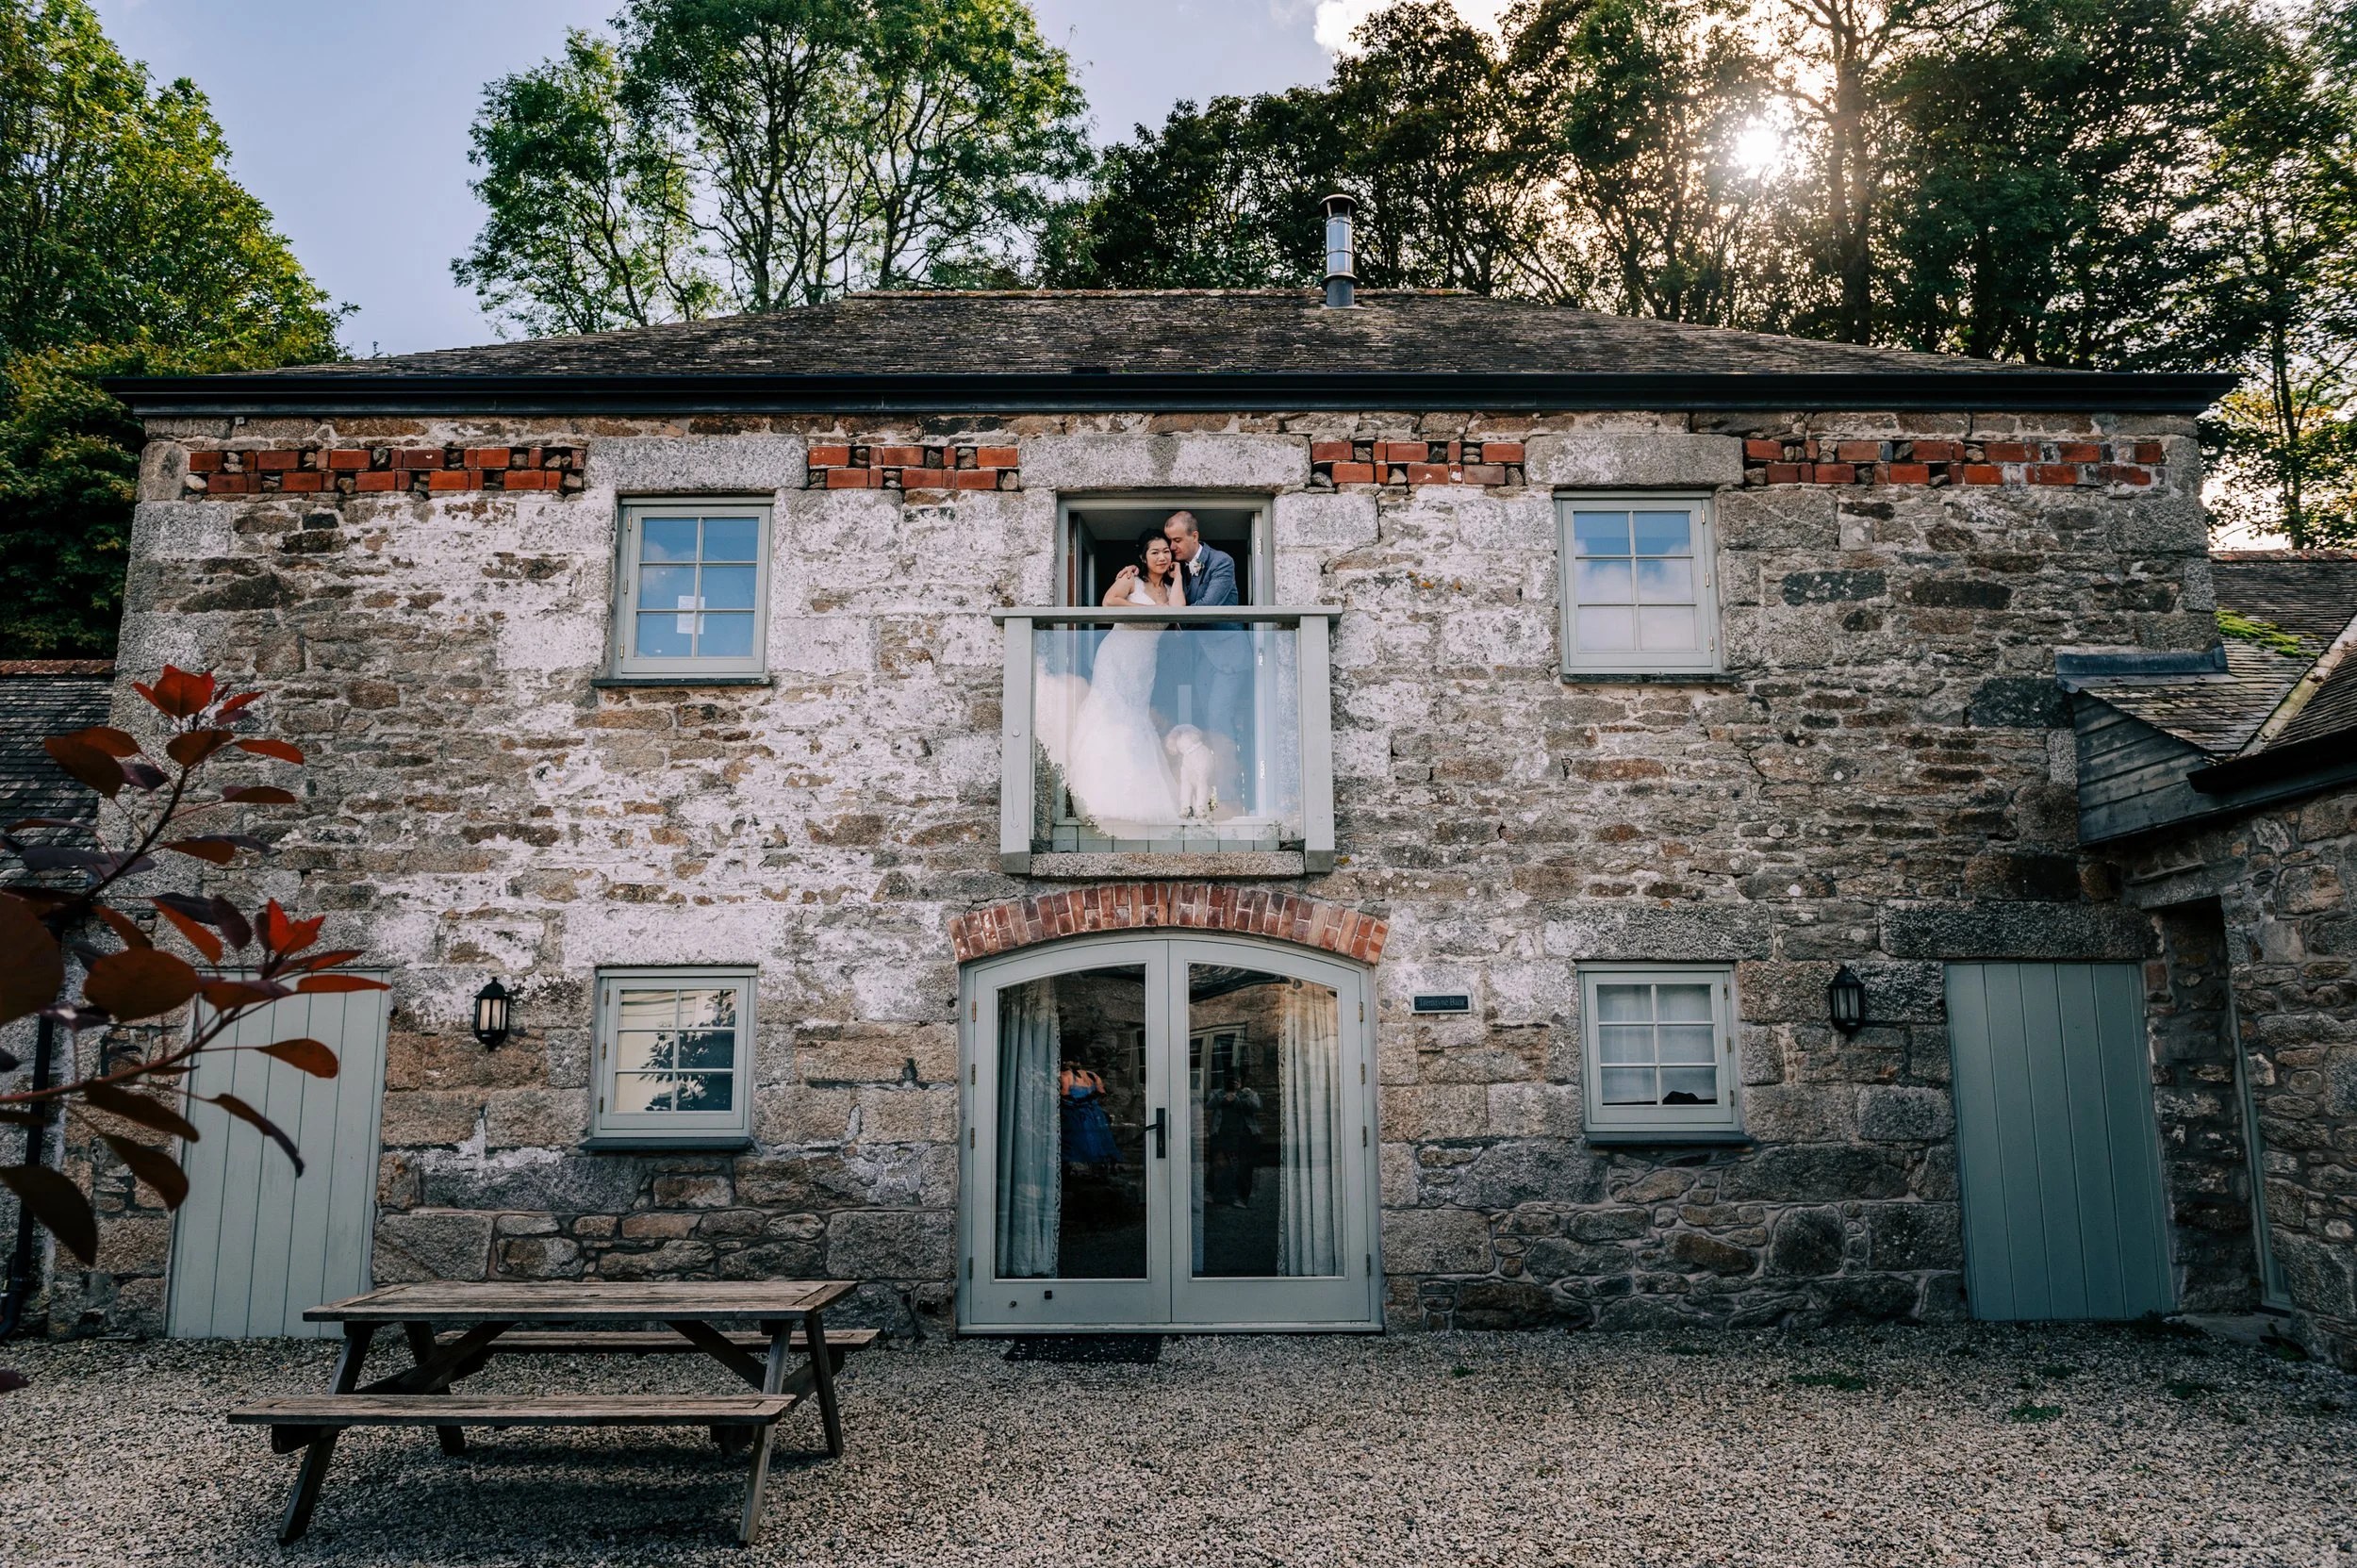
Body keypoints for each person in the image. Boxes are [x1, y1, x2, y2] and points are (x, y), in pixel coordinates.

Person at [1060, 531, 1185, 834]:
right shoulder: (1132, 579)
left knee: (1135, 719)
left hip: (1144, 663)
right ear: (1143, 558)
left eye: (1166, 551)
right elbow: (1108, 601)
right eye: (1154, 552)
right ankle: (1101, 799)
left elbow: (1180, 611)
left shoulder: (1170, 588)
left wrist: (1178, 575)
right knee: (1111, 715)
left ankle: (1135, 799)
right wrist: (1152, 611)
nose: (1162, 557)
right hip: (1116, 655)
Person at [1162, 511, 1249, 817]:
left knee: (1220, 720)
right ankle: (1206, 800)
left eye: (1177, 540)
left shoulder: (1222, 562)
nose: (1172, 547)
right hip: (1201, 661)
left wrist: (1177, 619)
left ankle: (1230, 800)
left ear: (1194, 536)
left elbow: (1205, 610)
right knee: (1206, 727)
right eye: (1169, 540)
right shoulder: (1180, 571)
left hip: (1229, 658)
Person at [1206, 1071, 1261, 1208]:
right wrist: (1224, 1096)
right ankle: (1210, 1192)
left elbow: (1256, 1106)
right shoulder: (1217, 1093)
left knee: (1244, 1167)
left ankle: (1240, 1198)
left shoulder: (1248, 1093)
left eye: (1237, 1080)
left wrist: (1242, 1094)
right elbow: (1209, 1104)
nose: (1233, 1082)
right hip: (1222, 1134)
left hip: (1243, 1135)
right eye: (1231, 1080)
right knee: (1217, 1164)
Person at [1061, 1060, 1120, 1176]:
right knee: (1096, 1140)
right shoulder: (1092, 1075)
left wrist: (1080, 1101)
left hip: (1077, 1113)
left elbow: (1065, 1096)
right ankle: (1097, 1169)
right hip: (1094, 1113)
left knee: (1081, 1141)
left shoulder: (1066, 1076)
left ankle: (1082, 1170)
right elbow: (1102, 1093)